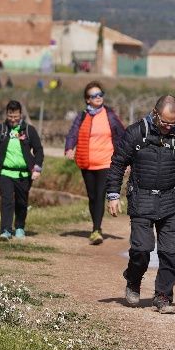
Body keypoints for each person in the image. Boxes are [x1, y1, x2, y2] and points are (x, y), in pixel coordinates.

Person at [107, 95, 175, 315]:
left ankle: (163, 295)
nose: (169, 127)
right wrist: (113, 195)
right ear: (155, 113)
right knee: (142, 249)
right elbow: (118, 164)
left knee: (171, 252)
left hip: (170, 201)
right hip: (141, 199)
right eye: (165, 122)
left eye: (174, 123)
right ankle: (133, 280)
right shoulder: (135, 133)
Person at [65, 82, 126, 245]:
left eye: (100, 94)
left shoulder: (110, 115)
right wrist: (69, 148)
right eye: (94, 95)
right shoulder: (82, 116)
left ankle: (96, 230)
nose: (98, 97)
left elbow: (123, 136)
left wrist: (127, 158)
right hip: (86, 162)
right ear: (87, 99)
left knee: (99, 196)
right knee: (92, 197)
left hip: (106, 162)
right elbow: (73, 133)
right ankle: (96, 226)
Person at [0, 100, 44, 241]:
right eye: (10, 116)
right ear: (7, 114)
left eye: (15, 116)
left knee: (21, 202)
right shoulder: (0, 130)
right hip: (5, 172)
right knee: (7, 200)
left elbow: (39, 150)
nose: (13, 119)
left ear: (20, 114)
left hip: (24, 174)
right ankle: (5, 230)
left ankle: (20, 227)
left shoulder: (29, 130)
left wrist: (37, 168)